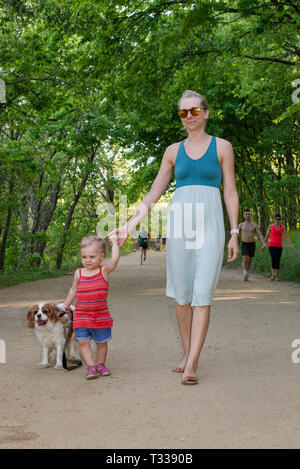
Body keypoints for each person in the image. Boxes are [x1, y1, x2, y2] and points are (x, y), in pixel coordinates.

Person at [109, 90, 239, 385]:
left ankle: (192, 362)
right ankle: (187, 352)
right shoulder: (172, 151)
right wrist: (128, 225)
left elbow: (230, 191)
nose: (189, 116)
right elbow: (153, 194)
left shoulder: (222, 147)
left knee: (202, 293)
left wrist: (233, 233)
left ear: (206, 113)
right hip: (180, 224)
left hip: (211, 224)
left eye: (195, 111)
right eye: (184, 113)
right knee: (182, 295)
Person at [63, 235, 120, 380]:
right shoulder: (79, 273)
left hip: (100, 316)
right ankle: (91, 367)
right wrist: (67, 303)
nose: (87, 260)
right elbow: (73, 290)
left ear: (101, 256)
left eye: (92, 256)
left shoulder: (103, 271)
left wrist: (115, 244)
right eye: (84, 256)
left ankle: (101, 364)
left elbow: (114, 260)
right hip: (82, 315)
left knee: (101, 343)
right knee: (83, 341)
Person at [238, 209, 267, 281]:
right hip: (244, 243)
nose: (248, 215)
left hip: (252, 244)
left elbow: (259, 234)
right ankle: (245, 273)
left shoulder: (254, 225)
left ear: (251, 215)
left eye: (249, 214)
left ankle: (246, 273)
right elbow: (236, 234)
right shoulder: (241, 225)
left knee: (249, 260)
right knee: (245, 258)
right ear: (244, 215)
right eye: (246, 214)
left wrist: (264, 243)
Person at [263, 213, 293, 281]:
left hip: (279, 246)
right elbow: (267, 236)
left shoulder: (283, 227)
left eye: (279, 219)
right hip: (271, 245)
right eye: (276, 219)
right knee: (274, 258)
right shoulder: (271, 226)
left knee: (277, 260)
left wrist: (290, 244)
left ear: (280, 219)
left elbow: (286, 236)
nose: (277, 220)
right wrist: (264, 244)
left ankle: (275, 275)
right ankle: (272, 274)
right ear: (274, 219)